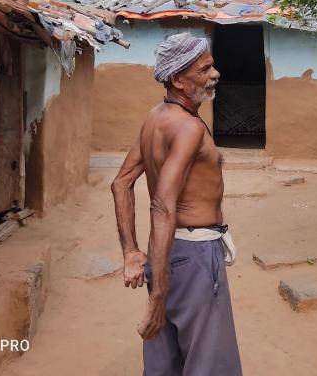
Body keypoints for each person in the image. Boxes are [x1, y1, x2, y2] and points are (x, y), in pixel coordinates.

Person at [111, 32, 243, 376]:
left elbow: (121, 183)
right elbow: (164, 205)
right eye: (205, 69)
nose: (215, 75)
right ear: (178, 80)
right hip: (195, 257)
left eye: (212, 66)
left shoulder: (155, 118)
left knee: (163, 362)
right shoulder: (188, 128)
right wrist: (157, 299)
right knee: (208, 363)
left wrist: (131, 251)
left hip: (164, 253)